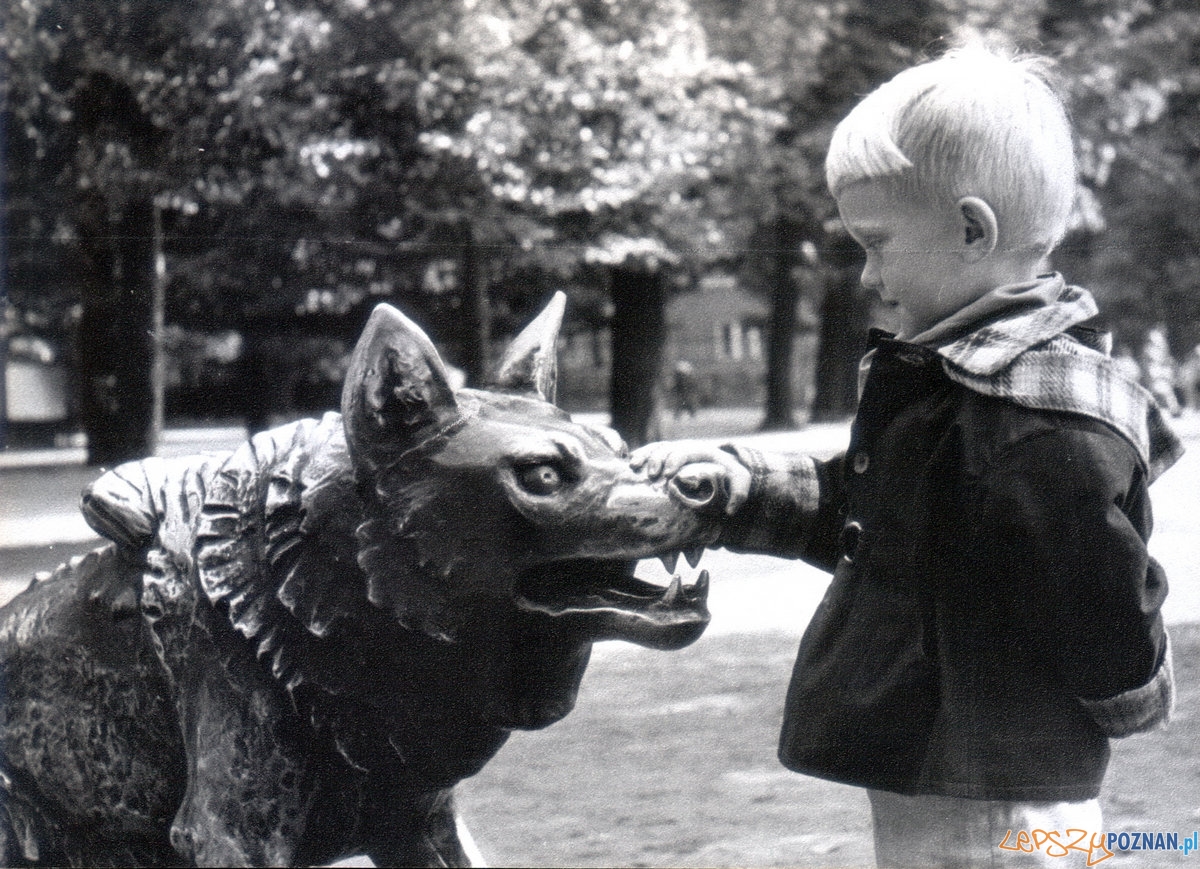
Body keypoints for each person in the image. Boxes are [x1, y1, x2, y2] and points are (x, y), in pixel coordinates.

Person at [632, 45, 1182, 868]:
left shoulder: (1031, 418)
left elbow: (1102, 602)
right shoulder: (959, 386)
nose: (866, 274)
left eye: (877, 242)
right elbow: (881, 515)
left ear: (972, 230)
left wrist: (1128, 695)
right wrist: (739, 490)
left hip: (996, 795)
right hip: (948, 774)